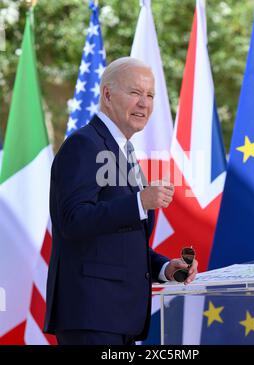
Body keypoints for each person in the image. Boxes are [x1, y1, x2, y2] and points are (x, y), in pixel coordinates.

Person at [44, 57, 198, 345]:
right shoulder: (84, 144)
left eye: (150, 95)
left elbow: (120, 243)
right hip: (91, 315)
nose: (144, 103)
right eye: (135, 93)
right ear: (107, 94)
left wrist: (166, 269)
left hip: (119, 317)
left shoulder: (123, 152)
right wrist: (139, 202)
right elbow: (72, 220)